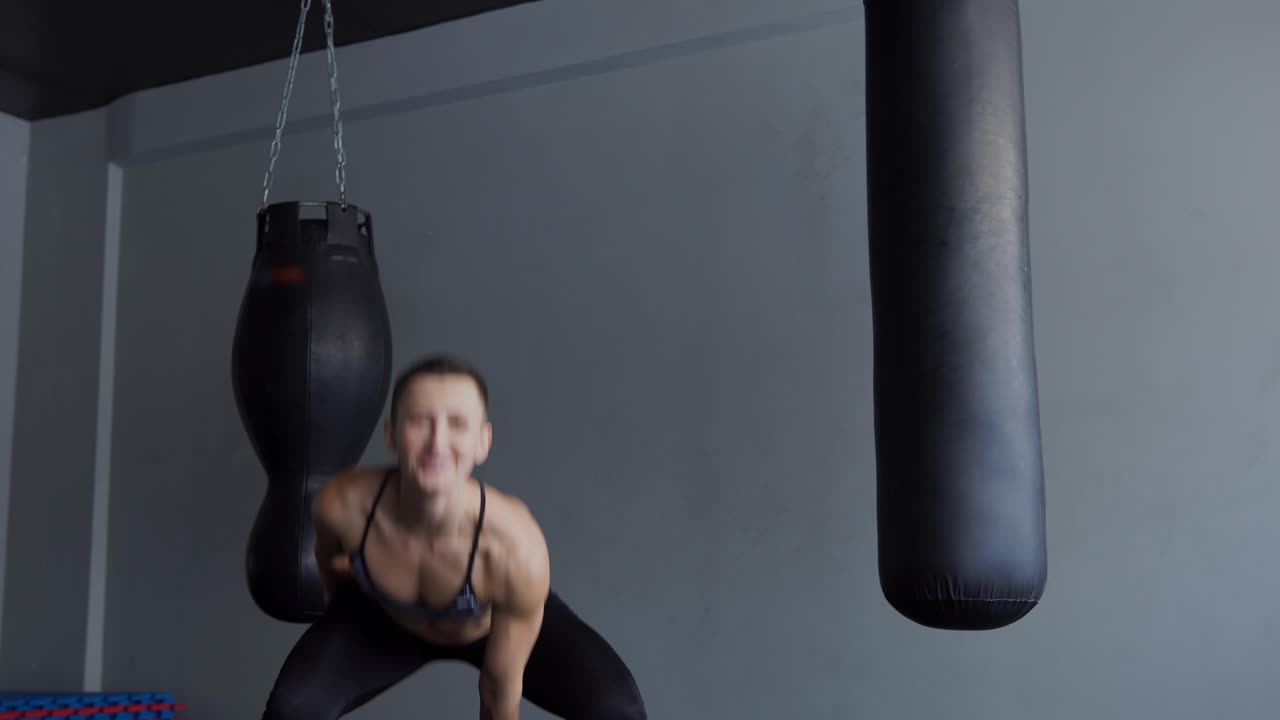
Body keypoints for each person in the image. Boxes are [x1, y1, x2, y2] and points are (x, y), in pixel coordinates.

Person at [260, 353, 647, 720]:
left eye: (458, 424)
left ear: (483, 442)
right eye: (419, 421)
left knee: (618, 711)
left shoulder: (513, 547)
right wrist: (344, 615)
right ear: (392, 434)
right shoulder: (342, 506)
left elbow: (499, 688)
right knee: (291, 710)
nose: (437, 443)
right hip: (385, 620)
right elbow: (331, 568)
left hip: (489, 628)